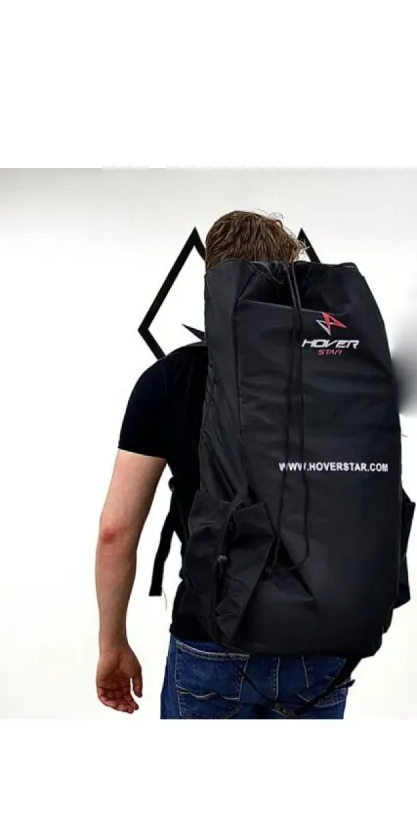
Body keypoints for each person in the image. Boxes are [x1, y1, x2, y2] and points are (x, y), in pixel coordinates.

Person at [95, 210, 353, 719]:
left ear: (212, 281)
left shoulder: (168, 380)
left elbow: (115, 531)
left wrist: (112, 643)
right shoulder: (337, 371)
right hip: (319, 642)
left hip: (211, 636)